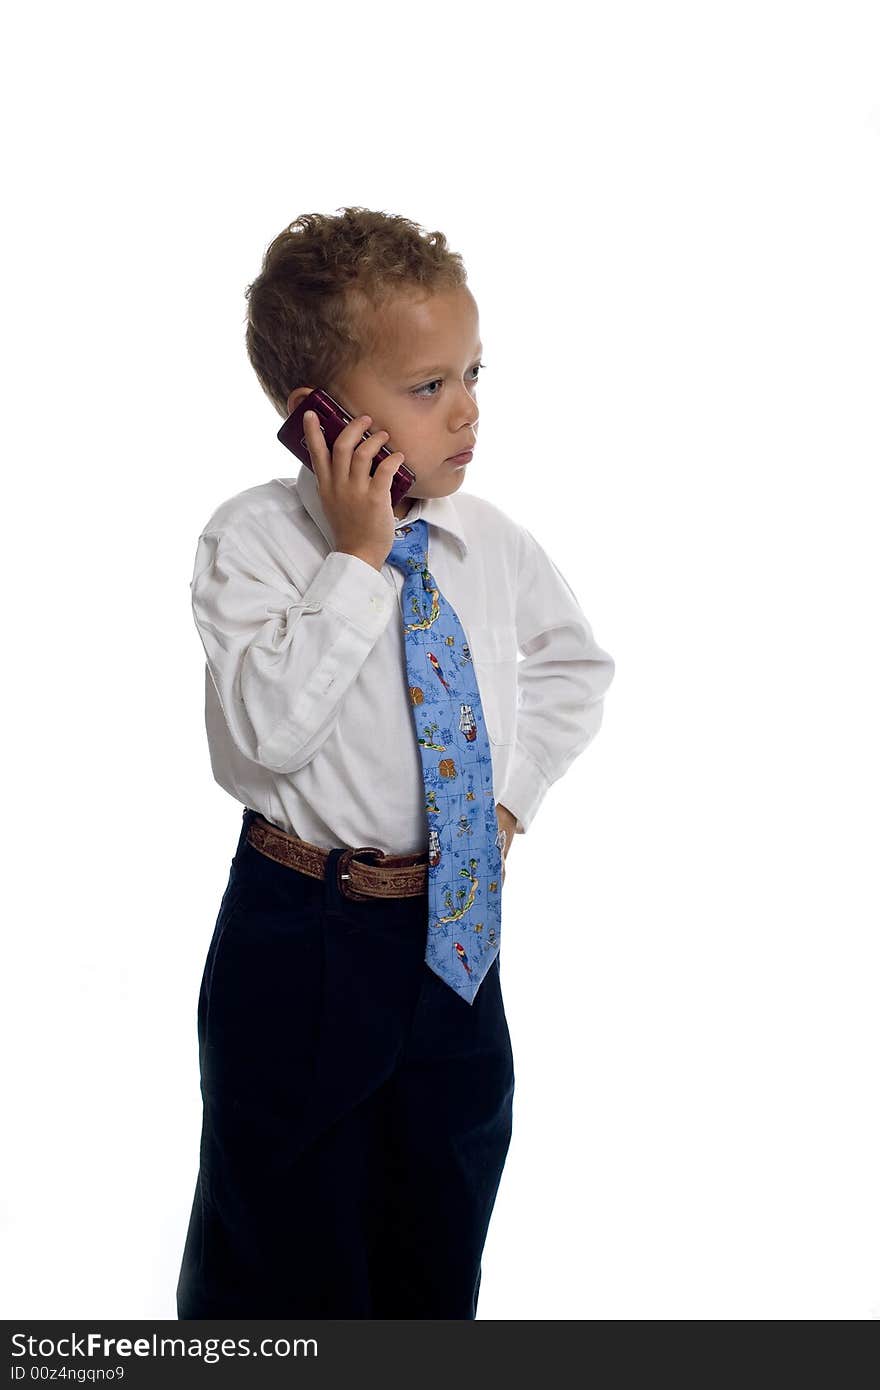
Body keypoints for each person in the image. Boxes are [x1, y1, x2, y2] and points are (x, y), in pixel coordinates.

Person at [176, 206, 615, 1319]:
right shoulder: (255, 545)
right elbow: (258, 742)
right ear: (314, 413)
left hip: (457, 938)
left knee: (438, 1219)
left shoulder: (490, 542)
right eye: (426, 387)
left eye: (471, 373)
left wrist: (507, 808)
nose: (465, 411)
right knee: (282, 1247)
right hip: (306, 935)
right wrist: (360, 560)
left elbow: (575, 663)